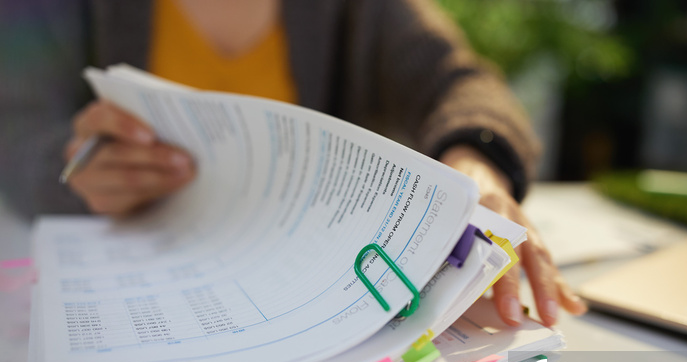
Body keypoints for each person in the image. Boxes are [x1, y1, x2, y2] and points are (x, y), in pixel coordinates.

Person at [0, 0, 587, 326]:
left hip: (303, 304)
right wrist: (73, 168)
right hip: (122, 296)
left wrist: (475, 164)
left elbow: (461, 80)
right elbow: (15, 137)